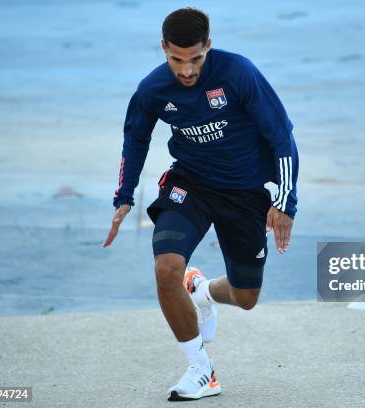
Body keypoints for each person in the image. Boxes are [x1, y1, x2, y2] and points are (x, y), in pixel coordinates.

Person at [102, 7, 299, 401]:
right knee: (166, 268)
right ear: (163, 49)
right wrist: (124, 197)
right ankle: (201, 369)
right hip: (190, 183)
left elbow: (281, 135)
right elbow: (135, 139)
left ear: (208, 46)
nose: (187, 70)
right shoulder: (153, 89)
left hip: (245, 192)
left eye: (195, 58)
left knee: (246, 297)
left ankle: (204, 291)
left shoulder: (238, 73)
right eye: (176, 59)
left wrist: (284, 201)